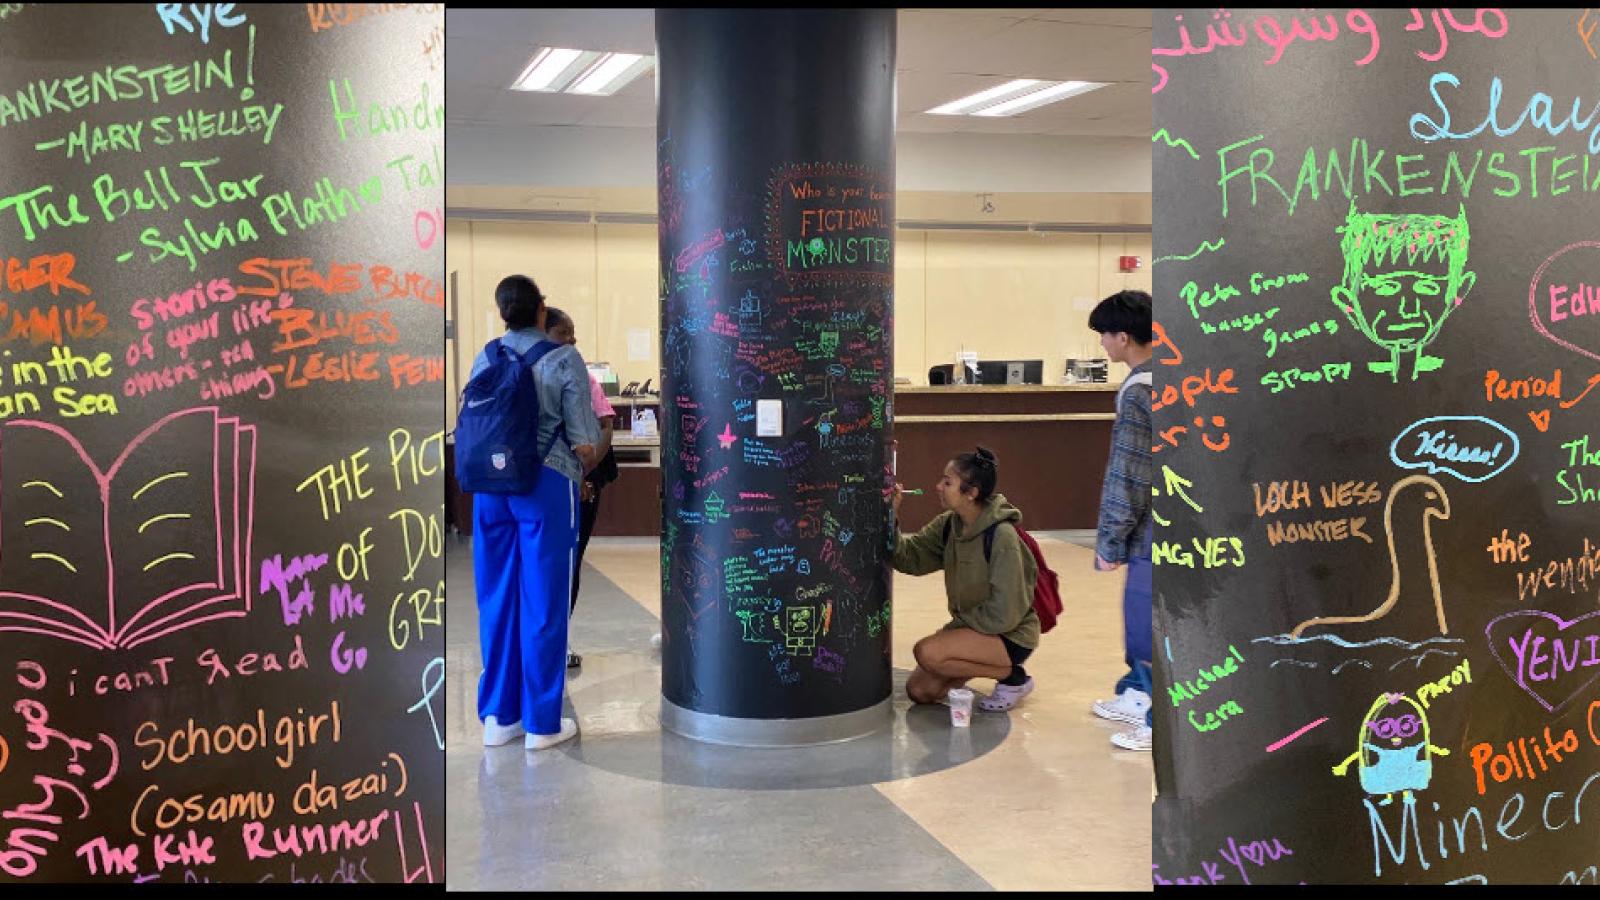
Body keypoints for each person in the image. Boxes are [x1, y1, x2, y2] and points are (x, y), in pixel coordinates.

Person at [469, 276, 599, 752]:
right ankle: (542, 722)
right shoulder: (563, 357)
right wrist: (577, 460)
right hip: (544, 483)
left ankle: (499, 718)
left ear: (501, 310)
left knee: (496, 596)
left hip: (488, 487)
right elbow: (585, 437)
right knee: (545, 598)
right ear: (542, 308)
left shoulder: (485, 355)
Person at [889, 447, 1040, 713]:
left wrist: (957, 630)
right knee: (920, 691)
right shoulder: (949, 525)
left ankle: (1012, 677)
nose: (938, 486)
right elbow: (909, 559)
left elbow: (1006, 613)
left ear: (971, 493)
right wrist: (890, 516)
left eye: (948, 483)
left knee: (928, 652)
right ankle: (980, 663)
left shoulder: (1001, 535)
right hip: (974, 628)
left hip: (1009, 634)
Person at [1087, 289, 1155, 751]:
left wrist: (1110, 541)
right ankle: (1136, 691)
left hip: (1155, 530)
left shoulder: (1138, 389)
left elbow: (1128, 471)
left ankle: (1159, 718)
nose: (1102, 346)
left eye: (1104, 337)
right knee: (1145, 616)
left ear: (1124, 337)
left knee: (1145, 617)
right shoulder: (1178, 371)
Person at [542, 307, 618, 669]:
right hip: (549, 486)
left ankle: (559, 641)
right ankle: (544, 643)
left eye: (573, 333)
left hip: (578, 485)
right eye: (563, 333)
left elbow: (604, 426)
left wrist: (586, 470)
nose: (572, 340)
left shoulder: (584, 378)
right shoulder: (535, 376)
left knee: (568, 565)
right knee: (549, 566)